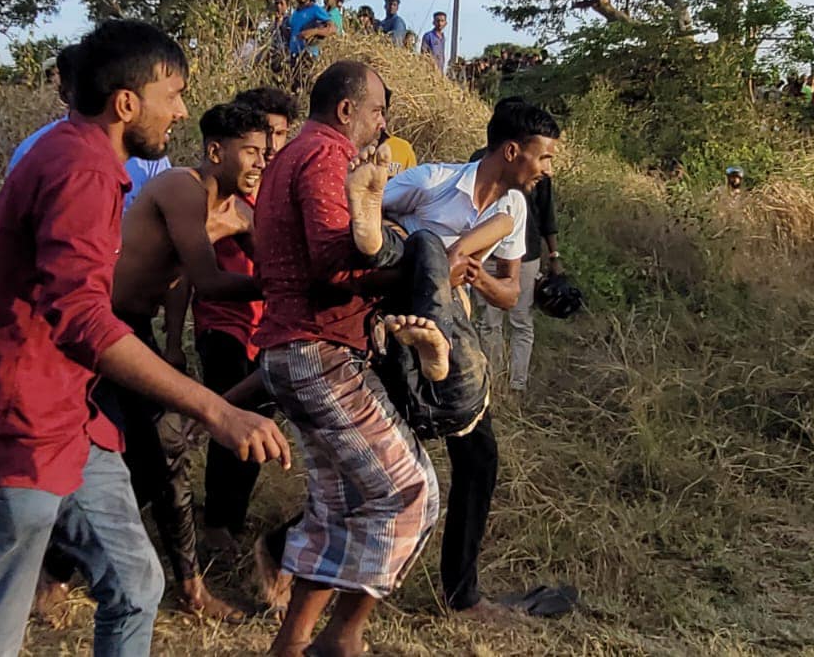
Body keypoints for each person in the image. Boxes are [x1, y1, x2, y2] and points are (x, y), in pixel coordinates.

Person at [0, 20, 289, 657]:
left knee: (135, 583)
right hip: (11, 427)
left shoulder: (90, 161)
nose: (180, 110)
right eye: (172, 94)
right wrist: (215, 408)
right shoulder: (81, 168)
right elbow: (84, 319)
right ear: (127, 102)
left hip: (70, 416)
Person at [254, 60, 439, 657]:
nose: (382, 125)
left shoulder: (288, 155)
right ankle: (343, 637)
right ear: (346, 110)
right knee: (412, 492)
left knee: (338, 509)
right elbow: (334, 263)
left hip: (290, 350)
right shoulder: (328, 157)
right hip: (321, 350)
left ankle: (293, 643)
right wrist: (412, 269)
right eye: (378, 111)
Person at [92, 102, 270, 623]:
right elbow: (210, 280)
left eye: (265, 151)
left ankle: (61, 567)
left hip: (134, 331)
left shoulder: (236, 208)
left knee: (146, 462)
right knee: (161, 453)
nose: (261, 161)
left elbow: (188, 280)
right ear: (216, 151)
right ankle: (189, 590)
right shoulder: (181, 188)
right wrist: (282, 287)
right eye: (252, 151)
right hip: (101, 329)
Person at [385, 100, 560, 619]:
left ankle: (461, 595)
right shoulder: (431, 181)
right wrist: (419, 251)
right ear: (512, 151)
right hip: (397, 337)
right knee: (387, 465)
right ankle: (290, 554)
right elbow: (368, 222)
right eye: (543, 158)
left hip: (455, 344)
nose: (547, 170)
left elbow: (508, 295)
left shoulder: (515, 211)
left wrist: (473, 274)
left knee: (477, 459)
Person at [185, 87, 296, 553]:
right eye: (262, 139)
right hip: (223, 322)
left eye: (279, 136)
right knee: (229, 423)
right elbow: (193, 271)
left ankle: (229, 518)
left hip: (262, 328)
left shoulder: (273, 189)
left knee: (259, 424)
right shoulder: (206, 191)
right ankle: (214, 525)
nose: (270, 148)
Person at [468, 99, 565, 393]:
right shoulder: (480, 160)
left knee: (521, 319)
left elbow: (546, 212)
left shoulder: (537, 163)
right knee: (489, 321)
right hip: (487, 250)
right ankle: (493, 381)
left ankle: (517, 384)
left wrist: (554, 255)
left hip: (526, 253)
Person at [288, 0, 337, 68]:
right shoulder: (295, 13)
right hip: (294, 57)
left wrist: (314, 32)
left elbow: (333, 28)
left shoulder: (315, 9)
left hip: (308, 56)